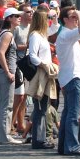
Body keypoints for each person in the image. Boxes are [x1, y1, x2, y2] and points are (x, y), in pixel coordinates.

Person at [55, 7, 80, 156]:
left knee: (68, 113)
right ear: (65, 20)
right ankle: (72, 147)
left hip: (71, 77)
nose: (75, 18)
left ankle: (64, 145)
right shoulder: (66, 34)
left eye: (76, 16)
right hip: (73, 78)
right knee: (74, 115)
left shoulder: (67, 35)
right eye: (72, 17)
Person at [0, 8, 22, 144]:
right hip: (6, 73)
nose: (19, 18)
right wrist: (8, 72)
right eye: (16, 16)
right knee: (7, 105)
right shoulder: (8, 34)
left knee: (4, 105)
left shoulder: (4, 33)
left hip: (3, 72)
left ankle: (3, 135)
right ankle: (4, 136)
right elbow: (0, 53)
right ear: (9, 18)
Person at [27, 10, 55, 149]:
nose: (49, 21)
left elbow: (55, 28)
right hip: (41, 72)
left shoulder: (42, 35)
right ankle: (38, 139)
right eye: (47, 18)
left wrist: (55, 16)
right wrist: (44, 65)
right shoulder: (35, 36)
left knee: (44, 106)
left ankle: (41, 137)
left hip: (45, 72)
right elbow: (32, 55)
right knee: (40, 106)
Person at [12, 4, 32, 136]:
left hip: (29, 64)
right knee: (19, 96)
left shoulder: (31, 28)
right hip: (18, 63)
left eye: (31, 12)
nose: (31, 14)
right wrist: (26, 46)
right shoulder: (17, 29)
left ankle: (20, 123)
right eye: (28, 12)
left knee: (25, 96)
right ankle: (13, 122)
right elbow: (11, 45)